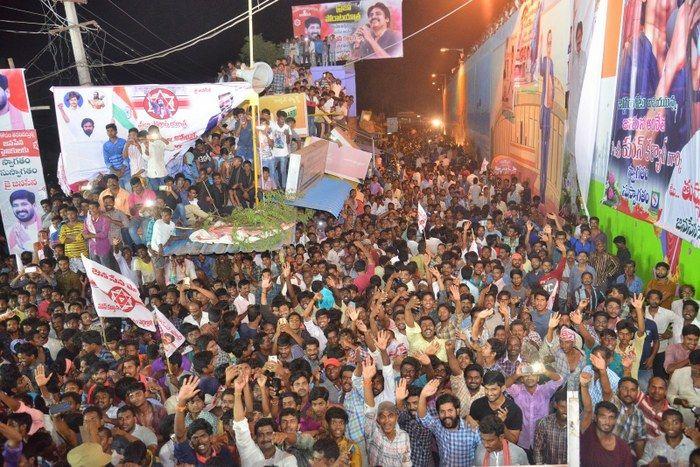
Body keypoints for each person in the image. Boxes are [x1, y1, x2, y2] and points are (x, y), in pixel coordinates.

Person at [580, 401, 634, 467]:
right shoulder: (587, 434)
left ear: (615, 420)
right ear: (595, 417)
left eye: (611, 417)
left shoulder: (623, 447)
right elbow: (588, 410)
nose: (607, 422)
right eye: (603, 417)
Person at [7, 190, 43, 255]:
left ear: (34, 205)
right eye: (15, 205)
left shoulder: (44, 226)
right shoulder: (10, 232)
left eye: (24, 204)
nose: (20, 209)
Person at [103, 123, 129, 190]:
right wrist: (115, 172)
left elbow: (127, 157)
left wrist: (122, 170)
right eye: (108, 131)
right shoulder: (106, 145)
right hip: (114, 174)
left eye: (111, 130)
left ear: (116, 131)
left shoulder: (123, 142)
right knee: (120, 191)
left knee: (129, 189)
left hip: (126, 171)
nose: (110, 132)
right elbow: (107, 161)